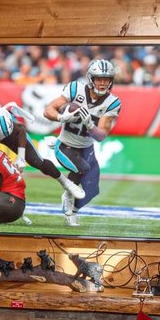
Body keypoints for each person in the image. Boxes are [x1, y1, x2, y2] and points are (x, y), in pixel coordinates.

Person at [41, 57, 121, 225]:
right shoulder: (75, 89)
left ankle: (72, 210)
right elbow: (48, 110)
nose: (102, 83)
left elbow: (100, 136)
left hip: (87, 148)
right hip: (65, 145)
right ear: (90, 79)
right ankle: (68, 195)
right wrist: (62, 117)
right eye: (99, 78)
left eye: (106, 79)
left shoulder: (112, 102)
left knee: (92, 190)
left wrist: (90, 124)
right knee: (83, 168)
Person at [0, 104, 84, 203]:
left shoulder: (0, 125)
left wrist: (21, 157)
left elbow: (21, 129)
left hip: (2, 127)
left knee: (36, 161)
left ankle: (66, 183)